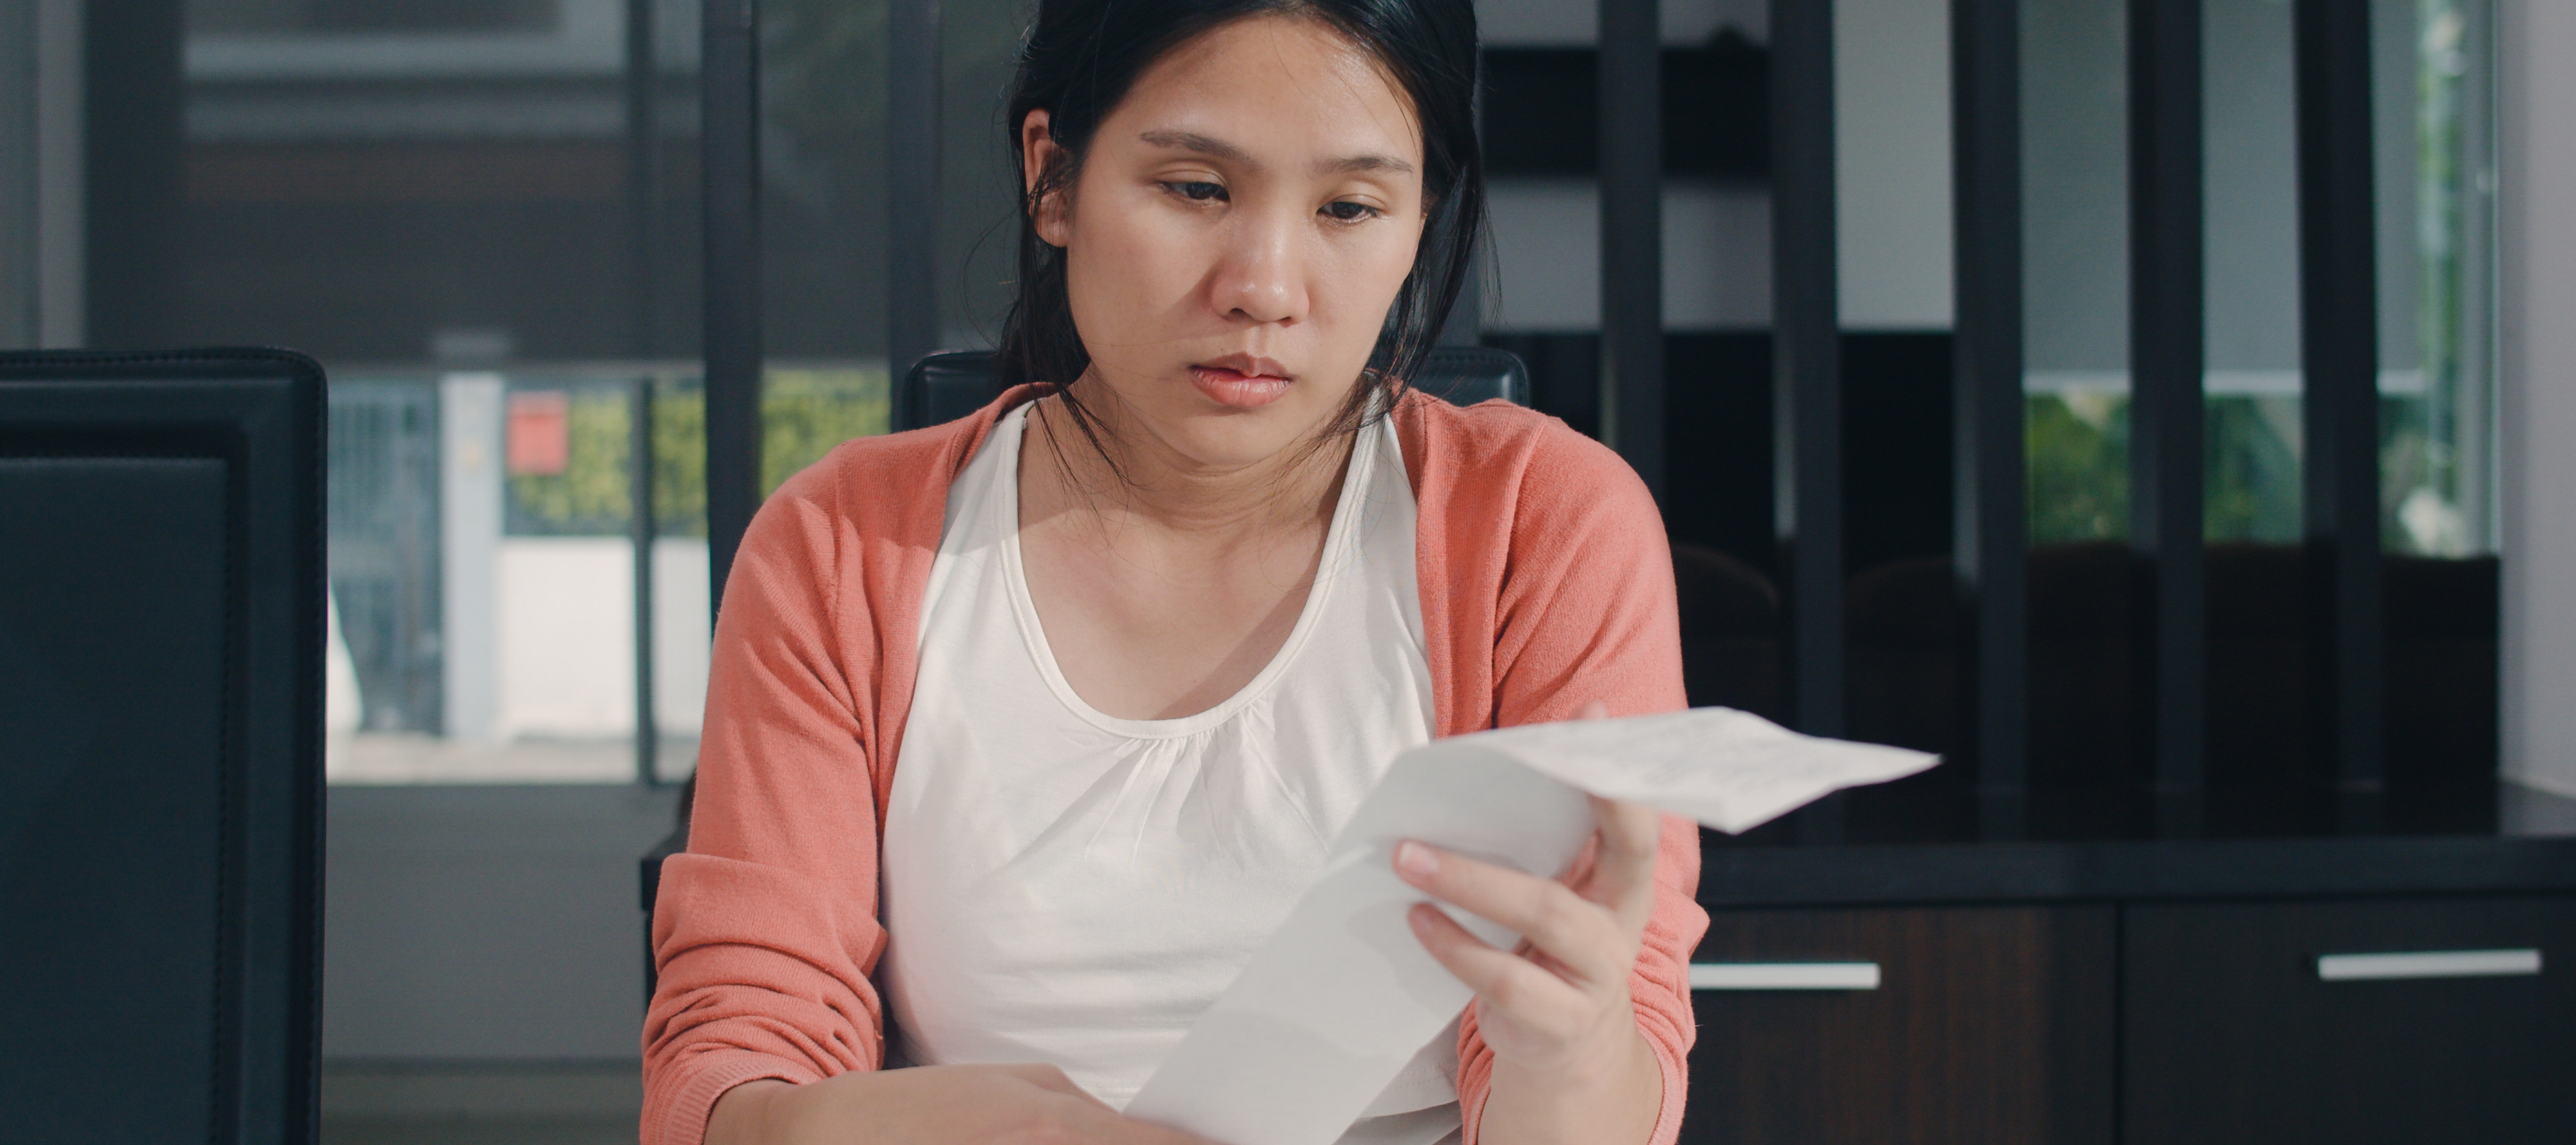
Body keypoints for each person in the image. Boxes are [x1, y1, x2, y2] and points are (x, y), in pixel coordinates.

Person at [641, 0, 1707, 1141]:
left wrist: (1570, 1053)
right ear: (1052, 177)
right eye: (1197, 189)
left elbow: (1607, 1077)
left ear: (1419, 222)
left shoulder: (1542, 528)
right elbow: (737, 1057)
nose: (1265, 287)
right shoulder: (841, 545)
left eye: (1350, 207)